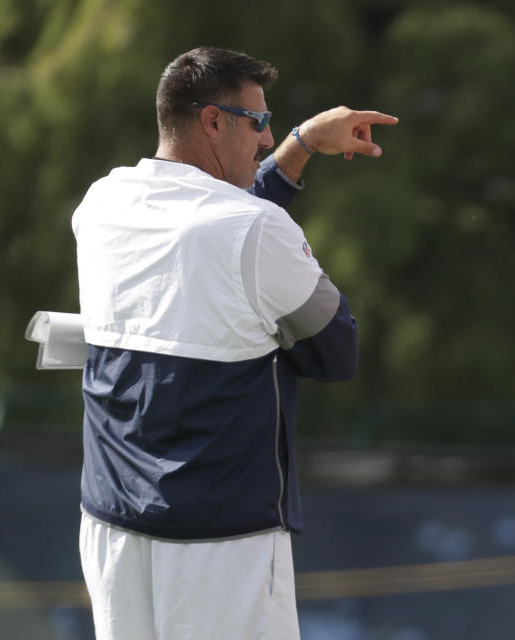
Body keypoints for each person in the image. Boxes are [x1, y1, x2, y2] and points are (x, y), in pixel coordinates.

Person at [71, 46, 397, 640]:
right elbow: (335, 350)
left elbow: (215, 229)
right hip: (222, 537)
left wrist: (298, 146)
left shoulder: (101, 204)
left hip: (111, 523)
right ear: (212, 121)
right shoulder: (256, 228)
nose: (267, 138)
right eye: (258, 122)